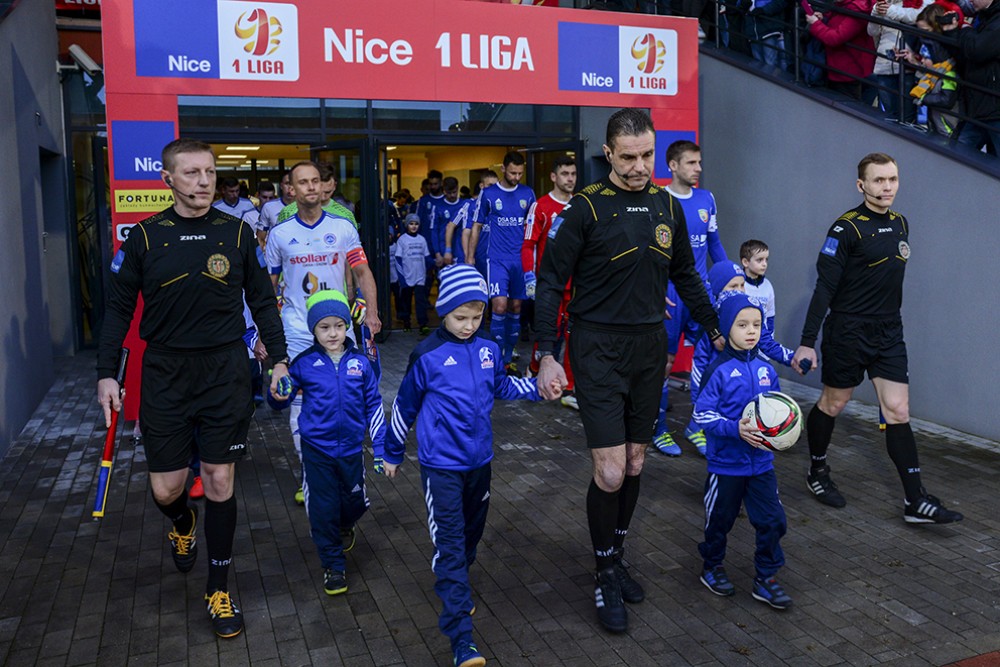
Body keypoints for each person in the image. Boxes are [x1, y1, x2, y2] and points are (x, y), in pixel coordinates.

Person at [534, 109, 722, 634]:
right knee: (611, 471)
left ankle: (615, 557)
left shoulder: (666, 205)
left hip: (648, 348)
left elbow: (686, 274)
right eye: (628, 157)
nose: (640, 167)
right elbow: (550, 281)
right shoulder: (586, 207)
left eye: (647, 156)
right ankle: (603, 573)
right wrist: (547, 353)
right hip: (595, 349)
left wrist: (714, 328)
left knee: (636, 464)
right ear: (609, 154)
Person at [97, 138, 288, 638]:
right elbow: (117, 310)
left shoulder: (238, 232)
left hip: (225, 371)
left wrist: (278, 359)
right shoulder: (143, 237)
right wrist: (106, 373)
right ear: (167, 179)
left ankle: (218, 589)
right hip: (165, 373)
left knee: (220, 480)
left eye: (209, 172)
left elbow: (263, 301)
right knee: (167, 488)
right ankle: (182, 522)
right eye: (191, 173)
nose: (203, 181)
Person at [384, 264, 548, 667]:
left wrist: (538, 388)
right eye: (460, 317)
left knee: (470, 536)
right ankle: (461, 637)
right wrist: (391, 453)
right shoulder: (426, 354)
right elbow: (404, 407)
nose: (469, 326)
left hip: (480, 464)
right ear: (443, 310)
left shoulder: (489, 346)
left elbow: (502, 386)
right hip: (440, 467)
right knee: (451, 546)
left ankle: (454, 576)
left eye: (476, 317)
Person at [791, 152, 963, 524]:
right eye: (879, 180)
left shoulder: (901, 223)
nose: (887, 187)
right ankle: (817, 471)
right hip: (848, 330)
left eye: (892, 179)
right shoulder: (846, 229)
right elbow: (824, 288)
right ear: (862, 185)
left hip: (888, 331)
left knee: (898, 410)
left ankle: (915, 500)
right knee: (834, 403)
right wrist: (807, 341)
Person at [265, 160, 381, 505]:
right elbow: (268, 284)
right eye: (303, 182)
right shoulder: (279, 234)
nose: (311, 187)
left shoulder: (343, 226)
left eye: (316, 181)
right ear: (291, 189)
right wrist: (264, 329)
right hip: (297, 330)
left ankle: (346, 468)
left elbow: (362, 272)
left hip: (337, 327)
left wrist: (372, 313)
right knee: (301, 401)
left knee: (345, 397)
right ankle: (310, 472)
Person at [270, 290, 385, 596]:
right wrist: (277, 394)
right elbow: (281, 398)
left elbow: (374, 404)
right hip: (317, 450)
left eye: (339, 326)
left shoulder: (360, 363)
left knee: (354, 503)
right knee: (323, 508)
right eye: (324, 327)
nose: (333, 333)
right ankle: (333, 565)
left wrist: (380, 447)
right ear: (314, 330)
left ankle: (346, 524)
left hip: (351, 449)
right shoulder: (303, 363)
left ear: (347, 326)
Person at [693, 292, 792, 610]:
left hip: (761, 464)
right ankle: (712, 566)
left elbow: (779, 410)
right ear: (726, 327)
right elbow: (702, 415)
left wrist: (783, 432)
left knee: (773, 520)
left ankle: (766, 577)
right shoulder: (718, 370)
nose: (751, 331)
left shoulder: (767, 370)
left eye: (757, 325)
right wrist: (734, 428)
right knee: (719, 521)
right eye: (742, 324)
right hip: (726, 465)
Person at [653, 140, 729, 457]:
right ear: (673, 165)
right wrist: (655, 291)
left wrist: (731, 281)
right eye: (691, 163)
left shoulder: (706, 199)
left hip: (701, 294)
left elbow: (714, 244)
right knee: (665, 363)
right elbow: (648, 253)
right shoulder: (656, 199)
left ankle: (696, 426)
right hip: (670, 294)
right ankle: (658, 429)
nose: (698, 168)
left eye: (699, 162)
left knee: (710, 357)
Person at [468, 152, 537, 374]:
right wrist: (470, 258)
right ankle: (496, 360)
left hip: (520, 260)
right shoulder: (489, 194)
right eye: (513, 172)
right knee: (498, 306)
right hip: (497, 260)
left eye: (520, 173)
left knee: (516, 307)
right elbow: (476, 226)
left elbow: (534, 226)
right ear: (504, 169)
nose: (516, 177)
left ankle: (508, 359)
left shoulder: (528, 193)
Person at [521, 155, 577, 407]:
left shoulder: (580, 205)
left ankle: (570, 388)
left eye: (573, 174)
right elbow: (528, 245)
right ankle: (534, 370)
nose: (570, 179)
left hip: (574, 286)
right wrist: (530, 276)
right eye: (565, 174)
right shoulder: (541, 206)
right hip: (549, 285)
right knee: (549, 333)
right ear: (554, 176)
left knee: (574, 334)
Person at [940, 0, 1000, 154]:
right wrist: (951, 32)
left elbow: (977, 49)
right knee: (957, 155)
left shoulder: (994, 20)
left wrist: (965, 28)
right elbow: (968, 56)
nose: (969, 0)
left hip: (992, 107)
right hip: (978, 106)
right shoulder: (985, 16)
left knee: (959, 153)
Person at [805, 0, 877, 100]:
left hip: (847, 72)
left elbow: (835, 38)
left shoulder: (857, 10)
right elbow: (836, 25)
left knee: (848, 105)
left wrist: (815, 23)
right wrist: (823, 19)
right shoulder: (846, 5)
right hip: (841, 67)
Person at [276, 162, 358, 229]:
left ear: (334, 186)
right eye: (320, 191)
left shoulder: (345, 214)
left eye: (327, 192)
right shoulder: (288, 211)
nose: (323, 197)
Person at [395, 214, 432, 334]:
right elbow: (398, 259)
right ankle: (407, 323)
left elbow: (427, 257)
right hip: (407, 277)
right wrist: (402, 278)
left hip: (420, 277)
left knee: (421, 301)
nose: (414, 226)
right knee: (406, 302)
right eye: (411, 224)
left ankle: (423, 324)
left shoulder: (422, 239)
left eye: (416, 224)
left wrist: (434, 264)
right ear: (407, 225)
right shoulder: (402, 240)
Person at [434, 176, 472, 266]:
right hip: (444, 250)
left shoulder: (464, 205)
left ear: (458, 188)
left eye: (454, 192)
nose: (452, 195)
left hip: (460, 249)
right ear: (444, 191)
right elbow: (434, 231)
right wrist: (437, 253)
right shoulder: (438, 207)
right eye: (449, 193)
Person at [257, 170, 295, 246]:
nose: (290, 187)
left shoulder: (307, 206)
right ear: (281, 185)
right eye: (287, 183)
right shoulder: (268, 207)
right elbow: (260, 238)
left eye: (293, 183)